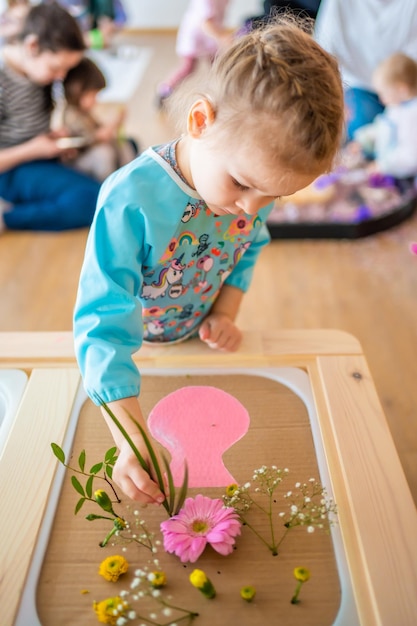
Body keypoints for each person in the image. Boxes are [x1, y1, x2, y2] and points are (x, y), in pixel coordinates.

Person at [73, 18, 344, 504]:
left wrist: (225, 313)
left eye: (273, 197)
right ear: (201, 121)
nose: (251, 209)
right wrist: (129, 438)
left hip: (197, 347)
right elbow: (102, 327)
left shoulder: (250, 192)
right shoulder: (129, 199)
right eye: (243, 185)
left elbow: (249, 245)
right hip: (133, 363)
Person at [0, 2, 100, 232]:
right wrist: (34, 149)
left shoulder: (36, 75)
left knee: (126, 150)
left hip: (38, 158)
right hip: (10, 170)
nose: (61, 76)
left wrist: (51, 139)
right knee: (91, 199)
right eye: (56, 68)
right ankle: (8, 216)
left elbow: (27, 127)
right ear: (32, 45)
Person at [314, 0, 417, 141]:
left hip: (403, 89)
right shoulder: (339, 4)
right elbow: (323, 50)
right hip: (359, 86)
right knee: (360, 126)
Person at [60, 56, 138, 181]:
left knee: (123, 143)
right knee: (104, 153)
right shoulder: (71, 114)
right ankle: (107, 186)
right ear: (77, 89)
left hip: (90, 154)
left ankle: (131, 177)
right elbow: (97, 137)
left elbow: (100, 129)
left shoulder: (84, 112)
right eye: (92, 95)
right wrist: (114, 123)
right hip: (78, 160)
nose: (95, 100)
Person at [353, 53, 417, 178]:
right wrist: (362, 140)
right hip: (389, 168)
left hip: (404, 176)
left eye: (384, 93)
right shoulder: (396, 105)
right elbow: (383, 125)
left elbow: (411, 156)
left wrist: (382, 166)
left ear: (402, 89)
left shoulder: (412, 115)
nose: (381, 100)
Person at [156, 0, 232, 106]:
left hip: (211, 35)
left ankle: (224, 91)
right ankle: (165, 90)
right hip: (194, 35)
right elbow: (206, 24)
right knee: (188, 67)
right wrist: (222, 37)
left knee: (217, 64)